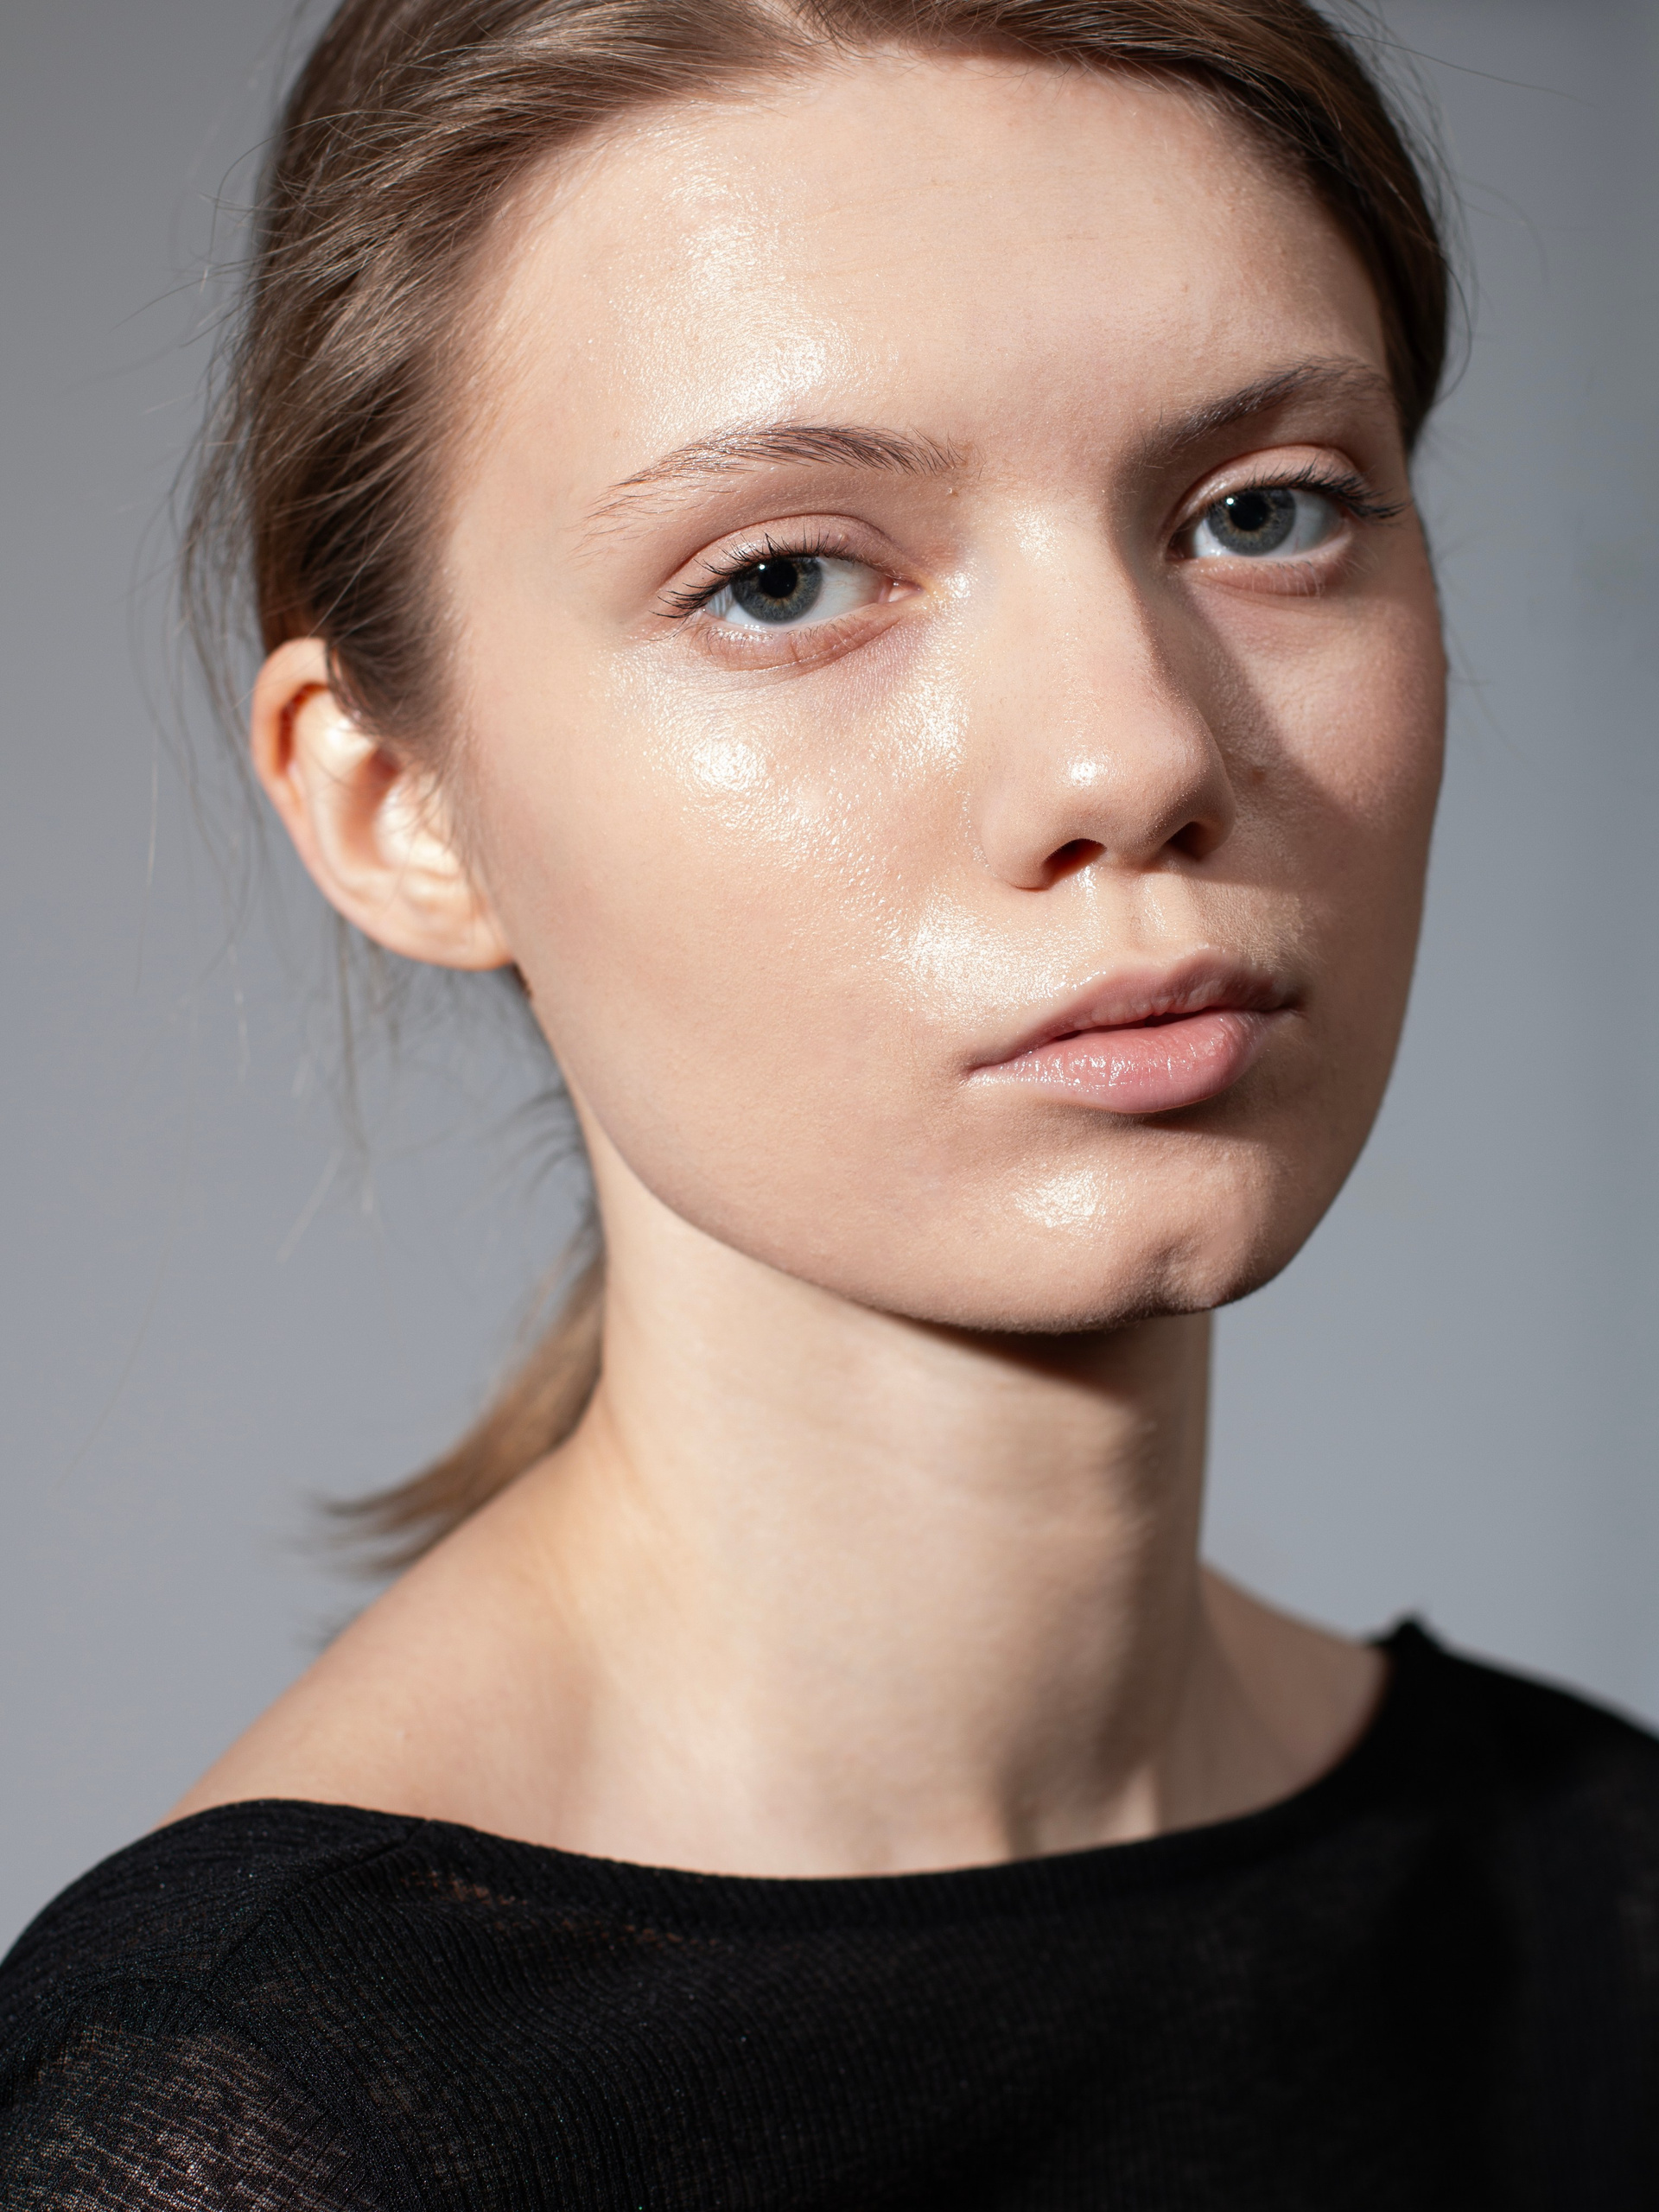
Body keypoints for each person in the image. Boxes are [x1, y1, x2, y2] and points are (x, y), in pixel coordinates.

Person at [2, 0, 1655, 2202]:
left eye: (1261, 510)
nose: (1135, 748)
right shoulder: (262, 2116)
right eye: (783, 577)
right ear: (398, 808)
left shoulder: (1600, 1887)